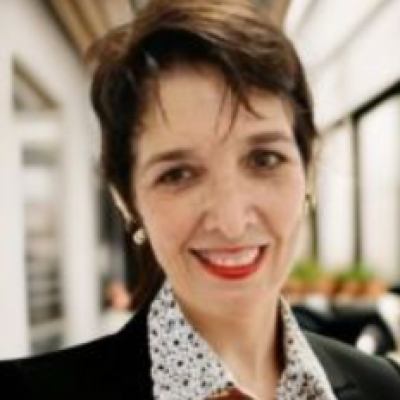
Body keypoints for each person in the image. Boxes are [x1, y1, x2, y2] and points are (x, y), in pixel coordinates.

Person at [1, 0, 399, 398]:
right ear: (127, 201)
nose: (232, 222)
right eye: (178, 174)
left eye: (264, 159)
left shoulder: (384, 386)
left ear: (307, 170)